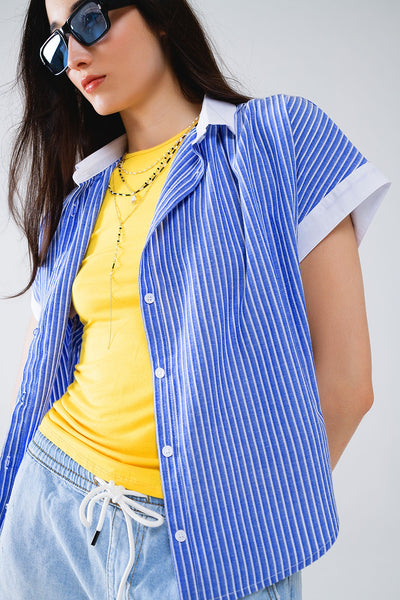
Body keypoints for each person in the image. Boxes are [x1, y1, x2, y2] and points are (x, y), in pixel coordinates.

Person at [0, 0, 391, 599]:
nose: (75, 55)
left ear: (158, 13)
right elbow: (42, 369)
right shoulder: (82, 202)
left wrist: (245, 526)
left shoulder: (276, 141)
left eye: (89, 20)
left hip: (204, 547)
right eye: (57, 44)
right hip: (51, 514)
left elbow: (346, 385)